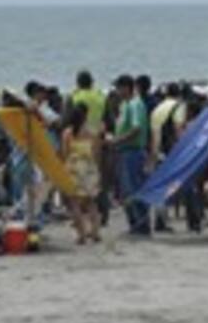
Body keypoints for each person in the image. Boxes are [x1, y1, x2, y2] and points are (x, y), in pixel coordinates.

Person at [110, 74, 151, 234]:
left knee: (134, 188)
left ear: (126, 88)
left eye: (119, 88)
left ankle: (141, 224)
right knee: (127, 190)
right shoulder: (126, 104)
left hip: (132, 152)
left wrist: (117, 140)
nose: (118, 91)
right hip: (125, 151)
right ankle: (135, 223)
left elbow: (136, 129)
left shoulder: (135, 105)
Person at [60, 104, 102, 244]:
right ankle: (95, 232)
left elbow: (65, 153)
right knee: (91, 202)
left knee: (75, 203)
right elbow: (96, 153)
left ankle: (81, 234)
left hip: (73, 167)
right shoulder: (92, 132)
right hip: (89, 167)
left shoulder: (67, 133)